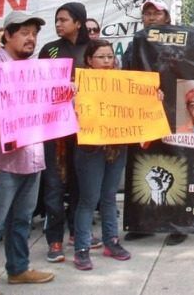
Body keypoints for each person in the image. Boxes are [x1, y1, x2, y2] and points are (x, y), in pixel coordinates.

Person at [0, 12, 55, 292]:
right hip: (3, 161)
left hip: (33, 157)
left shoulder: (38, 69)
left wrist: (64, 94)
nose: (30, 38)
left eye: (34, 33)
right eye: (24, 33)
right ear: (7, 36)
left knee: (22, 219)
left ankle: (18, 268)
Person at [72, 40, 132, 270]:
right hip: (91, 149)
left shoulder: (124, 82)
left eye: (110, 56)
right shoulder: (79, 84)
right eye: (101, 57)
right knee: (89, 199)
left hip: (116, 146)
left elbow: (138, 107)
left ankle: (111, 242)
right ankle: (82, 248)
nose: (107, 61)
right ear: (89, 60)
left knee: (109, 196)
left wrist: (153, 98)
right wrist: (72, 97)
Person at [38, 2, 90, 263]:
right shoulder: (50, 49)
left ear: (78, 22)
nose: (58, 24)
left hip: (85, 130)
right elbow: (37, 85)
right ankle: (54, 240)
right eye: (56, 20)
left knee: (81, 183)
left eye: (63, 20)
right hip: (55, 130)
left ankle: (78, 233)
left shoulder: (93, 49)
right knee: (54, 185)